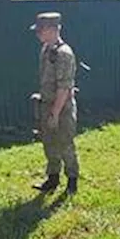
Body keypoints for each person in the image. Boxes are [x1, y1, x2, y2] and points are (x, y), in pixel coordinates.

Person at [31, 12, 79, 194]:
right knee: (49, 143)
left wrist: (55, 113)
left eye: (40, 31)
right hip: (46, 104)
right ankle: (52, 179)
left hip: (62, 108)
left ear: (52, 30)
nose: (38, 34)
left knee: (65, 143)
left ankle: (72, 181)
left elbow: (64, 88)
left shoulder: (64, 53)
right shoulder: (46, 49)